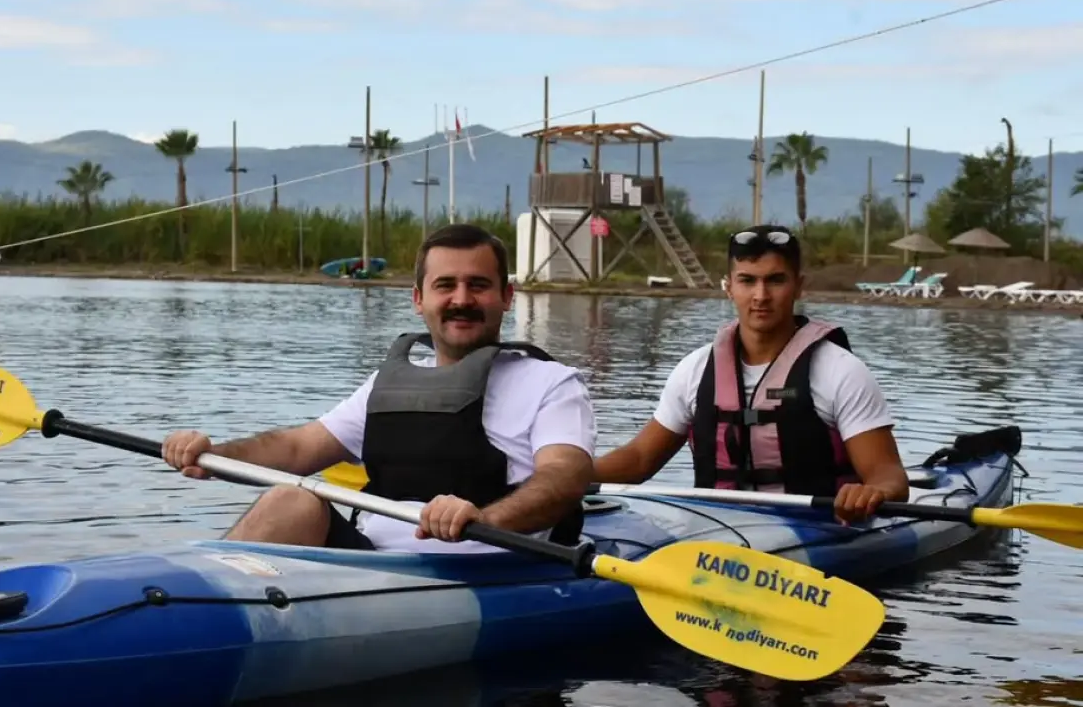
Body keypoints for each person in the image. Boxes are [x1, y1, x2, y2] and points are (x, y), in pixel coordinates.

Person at [161, 223, 597, 553]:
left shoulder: (551, 384)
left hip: (487, 573)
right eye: (445, 285)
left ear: (506, 296)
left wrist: (485, 517)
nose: (461, 299)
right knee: (290, 501)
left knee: (291, 501)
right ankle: (196, 600)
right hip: (374, 566)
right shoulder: (389, 385)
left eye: (478, 286)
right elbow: (295, 449)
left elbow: (564, 478)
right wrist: (215, 455)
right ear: (418, 299)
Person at [593, 224, 909, 525]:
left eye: (775, 280)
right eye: (747, 281)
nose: (761, 295)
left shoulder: (840, 371)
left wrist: (873, 492)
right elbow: (638, 459)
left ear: (798, 286)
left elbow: (889, 475)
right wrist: (567, 475)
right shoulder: (695, 369)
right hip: (715, 529)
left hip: (819, 529)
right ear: (729, 287)